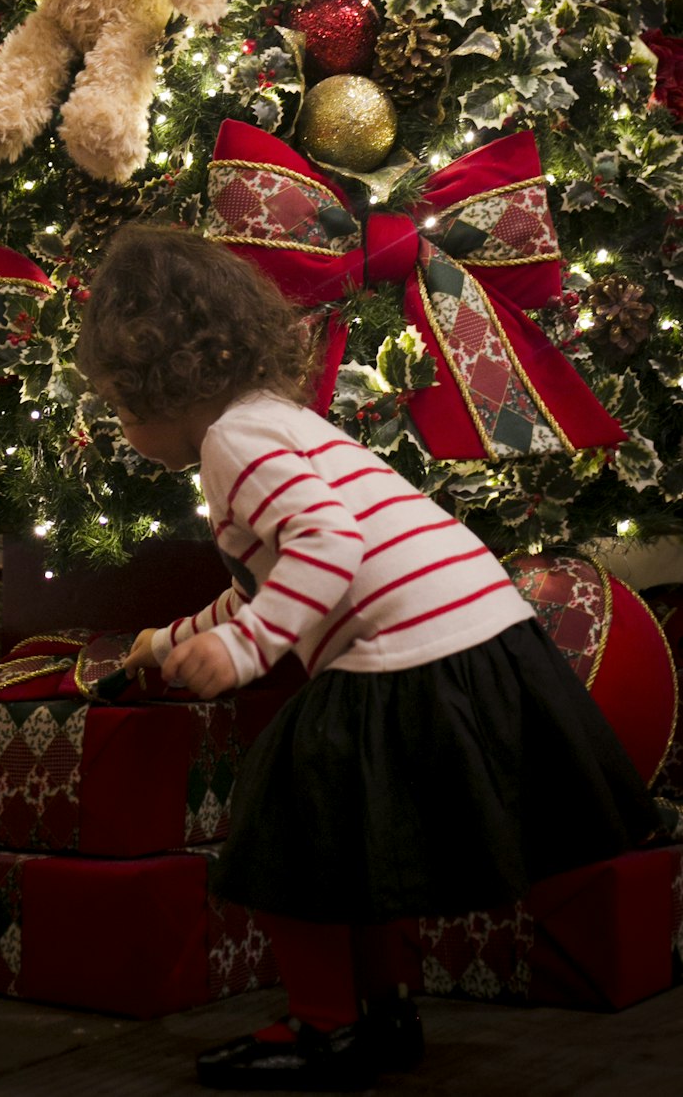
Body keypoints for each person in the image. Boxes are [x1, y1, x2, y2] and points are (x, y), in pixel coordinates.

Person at [76, 222, 659, 1092]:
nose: (122, 428)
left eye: (119, 406)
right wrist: (174, 642)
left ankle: (324, 1025)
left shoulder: (230, 446)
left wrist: (247, 649)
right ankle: (382, 1010)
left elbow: (326, 543)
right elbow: (277, 571)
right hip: (476, 630)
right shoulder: (274, 423)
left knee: (289, 831)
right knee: (357, 844)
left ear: (159, 386)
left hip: (406, 650)